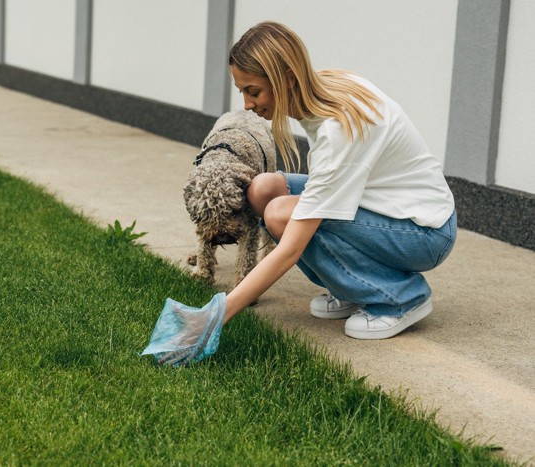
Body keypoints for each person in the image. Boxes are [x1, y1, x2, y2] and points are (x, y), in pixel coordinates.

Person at [146, 21, 457, 365]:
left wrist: (216, 315)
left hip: (423, 231)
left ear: (287, 79)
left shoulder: (338, 133)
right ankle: (351, 288)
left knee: (280, 214)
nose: (248, 105)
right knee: (263, 188)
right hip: (380, 205)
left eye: (254, 91)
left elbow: (290, 249)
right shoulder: (327, 85)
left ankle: (399, 296)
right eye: (243, 93)